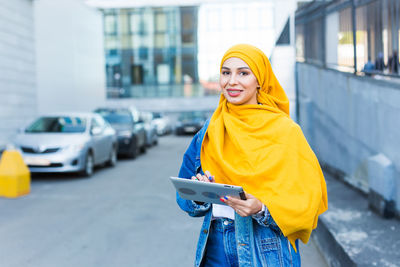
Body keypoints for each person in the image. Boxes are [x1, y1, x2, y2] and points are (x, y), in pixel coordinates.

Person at [176, 44, 328, 267]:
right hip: (215, 244)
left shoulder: (285, 131)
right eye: (226, 72)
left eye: (243, 73)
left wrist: (262, 209)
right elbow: (183, 195)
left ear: (260, 80)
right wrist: (199, 195)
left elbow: (307, 201)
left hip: (267, 247)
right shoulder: (208, 132)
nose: (232, 81)